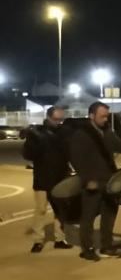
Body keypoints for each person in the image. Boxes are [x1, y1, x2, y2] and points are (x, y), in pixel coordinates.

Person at [68, 101, 121, 261]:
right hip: (92, 182)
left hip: (109, 181)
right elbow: (76, 160)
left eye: (107, 116)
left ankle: (107, 246)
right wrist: (87, 180)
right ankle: (87, 249)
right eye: (102, 116)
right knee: (88, 218)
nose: (106, 119)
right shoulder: (81, 134)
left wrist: (115, 134)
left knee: (110, 215)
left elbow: (118, 146)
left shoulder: (106, 131)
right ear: (91, 116)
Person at [23, 105, 72, 252]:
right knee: (41, 210)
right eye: (56, 119)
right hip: (42, 178)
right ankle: (38, 240)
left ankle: (60, 238)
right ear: (49, 117)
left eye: (61, 119)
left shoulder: (64, 133)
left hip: (60, 177)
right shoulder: (37, 133)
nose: (59, 122)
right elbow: (28, 155)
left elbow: (69, 153)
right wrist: (36, 142)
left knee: (60, 210)